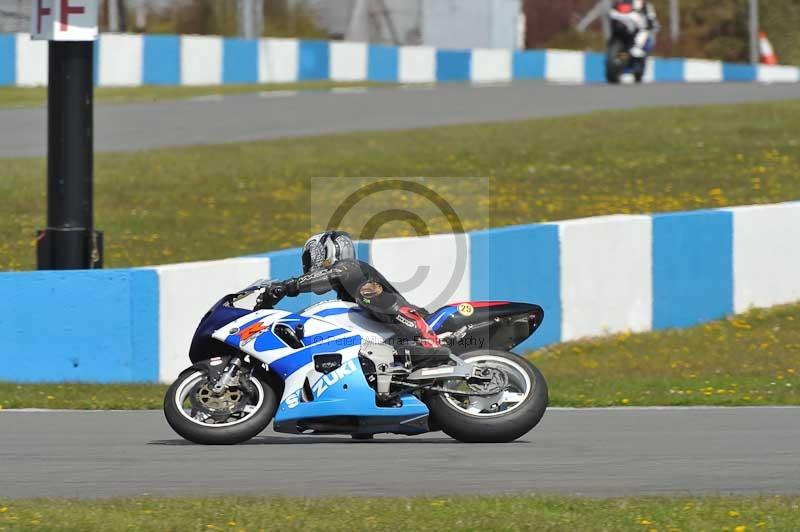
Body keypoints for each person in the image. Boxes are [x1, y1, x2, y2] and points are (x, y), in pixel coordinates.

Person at [260, 231, 441, 348]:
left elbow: (332, 274)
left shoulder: (349, 267)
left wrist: (287, 286)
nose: (309, 264)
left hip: (419, 324)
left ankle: (424, 336)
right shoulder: (345, 294)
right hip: (388, 339)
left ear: (326, 251)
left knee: (367, 294)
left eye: (311, 258)